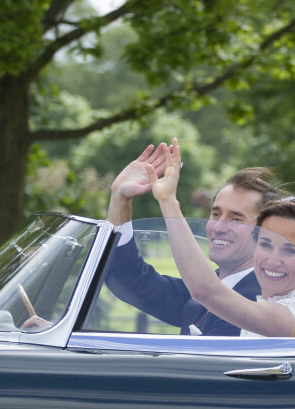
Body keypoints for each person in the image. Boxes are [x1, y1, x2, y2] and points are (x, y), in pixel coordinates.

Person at [100, 139, 284, 336]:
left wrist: (168, 201)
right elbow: (135, 282)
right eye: (216, 214)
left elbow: (206, 295)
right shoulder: (211, 285)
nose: (219, 227)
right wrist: (119, 198)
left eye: (236, 219)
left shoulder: (258, 300)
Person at [147, 142, 295, 338]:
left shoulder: (290, 318)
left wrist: (168, 202)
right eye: (265, 245)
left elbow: (206, 291)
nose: (272, 260)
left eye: (289, 250)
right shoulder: (260, 303)